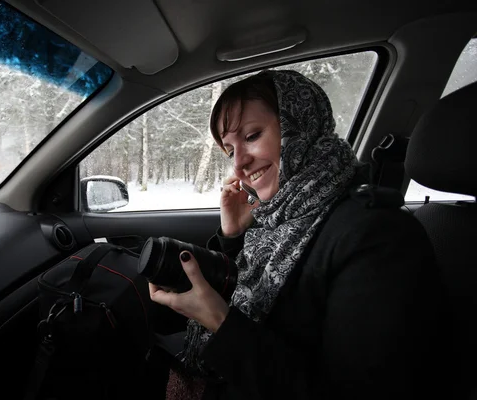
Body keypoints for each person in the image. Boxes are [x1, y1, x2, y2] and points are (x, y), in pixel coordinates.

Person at [147, 70, 446, 400]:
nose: (239, 164)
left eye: (252, 135)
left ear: (300, 126)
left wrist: (220, 322)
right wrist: (232, 236)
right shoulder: (283, 214)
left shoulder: (379, 235)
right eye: (230, 150)